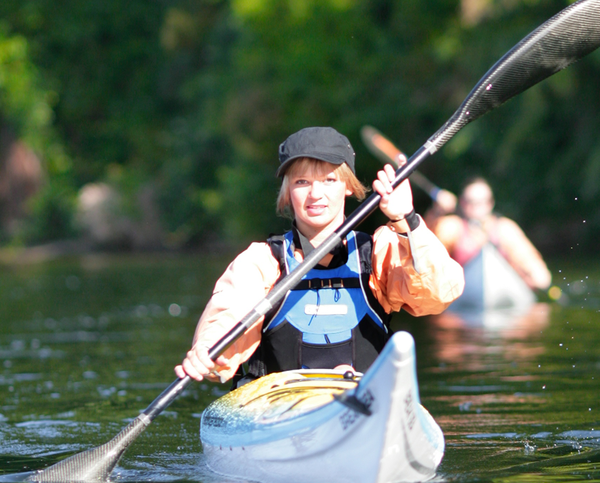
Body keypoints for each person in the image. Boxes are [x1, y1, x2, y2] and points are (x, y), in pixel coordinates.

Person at [175, 127, 464, 384]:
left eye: (328, 180)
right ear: (288, 192)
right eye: (302, 182)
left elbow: (438, 295)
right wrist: (207, 352)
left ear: (348, 186)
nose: (315, 194)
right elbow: (228, 313)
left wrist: (408, 220)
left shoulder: (378, 253)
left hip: (363, 402)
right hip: (277, 411)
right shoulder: (262, 262)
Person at [424, 177, 551, 291]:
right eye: (471, 201)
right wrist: (437, 211)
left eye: (483, 201)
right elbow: (424, 252)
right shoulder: (451, 227)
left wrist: (538, 276)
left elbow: (532, 264)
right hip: (462, 293)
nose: (477, 206)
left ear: (491, 203)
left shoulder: (505, 229)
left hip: (503, 291)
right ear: (462, 203)